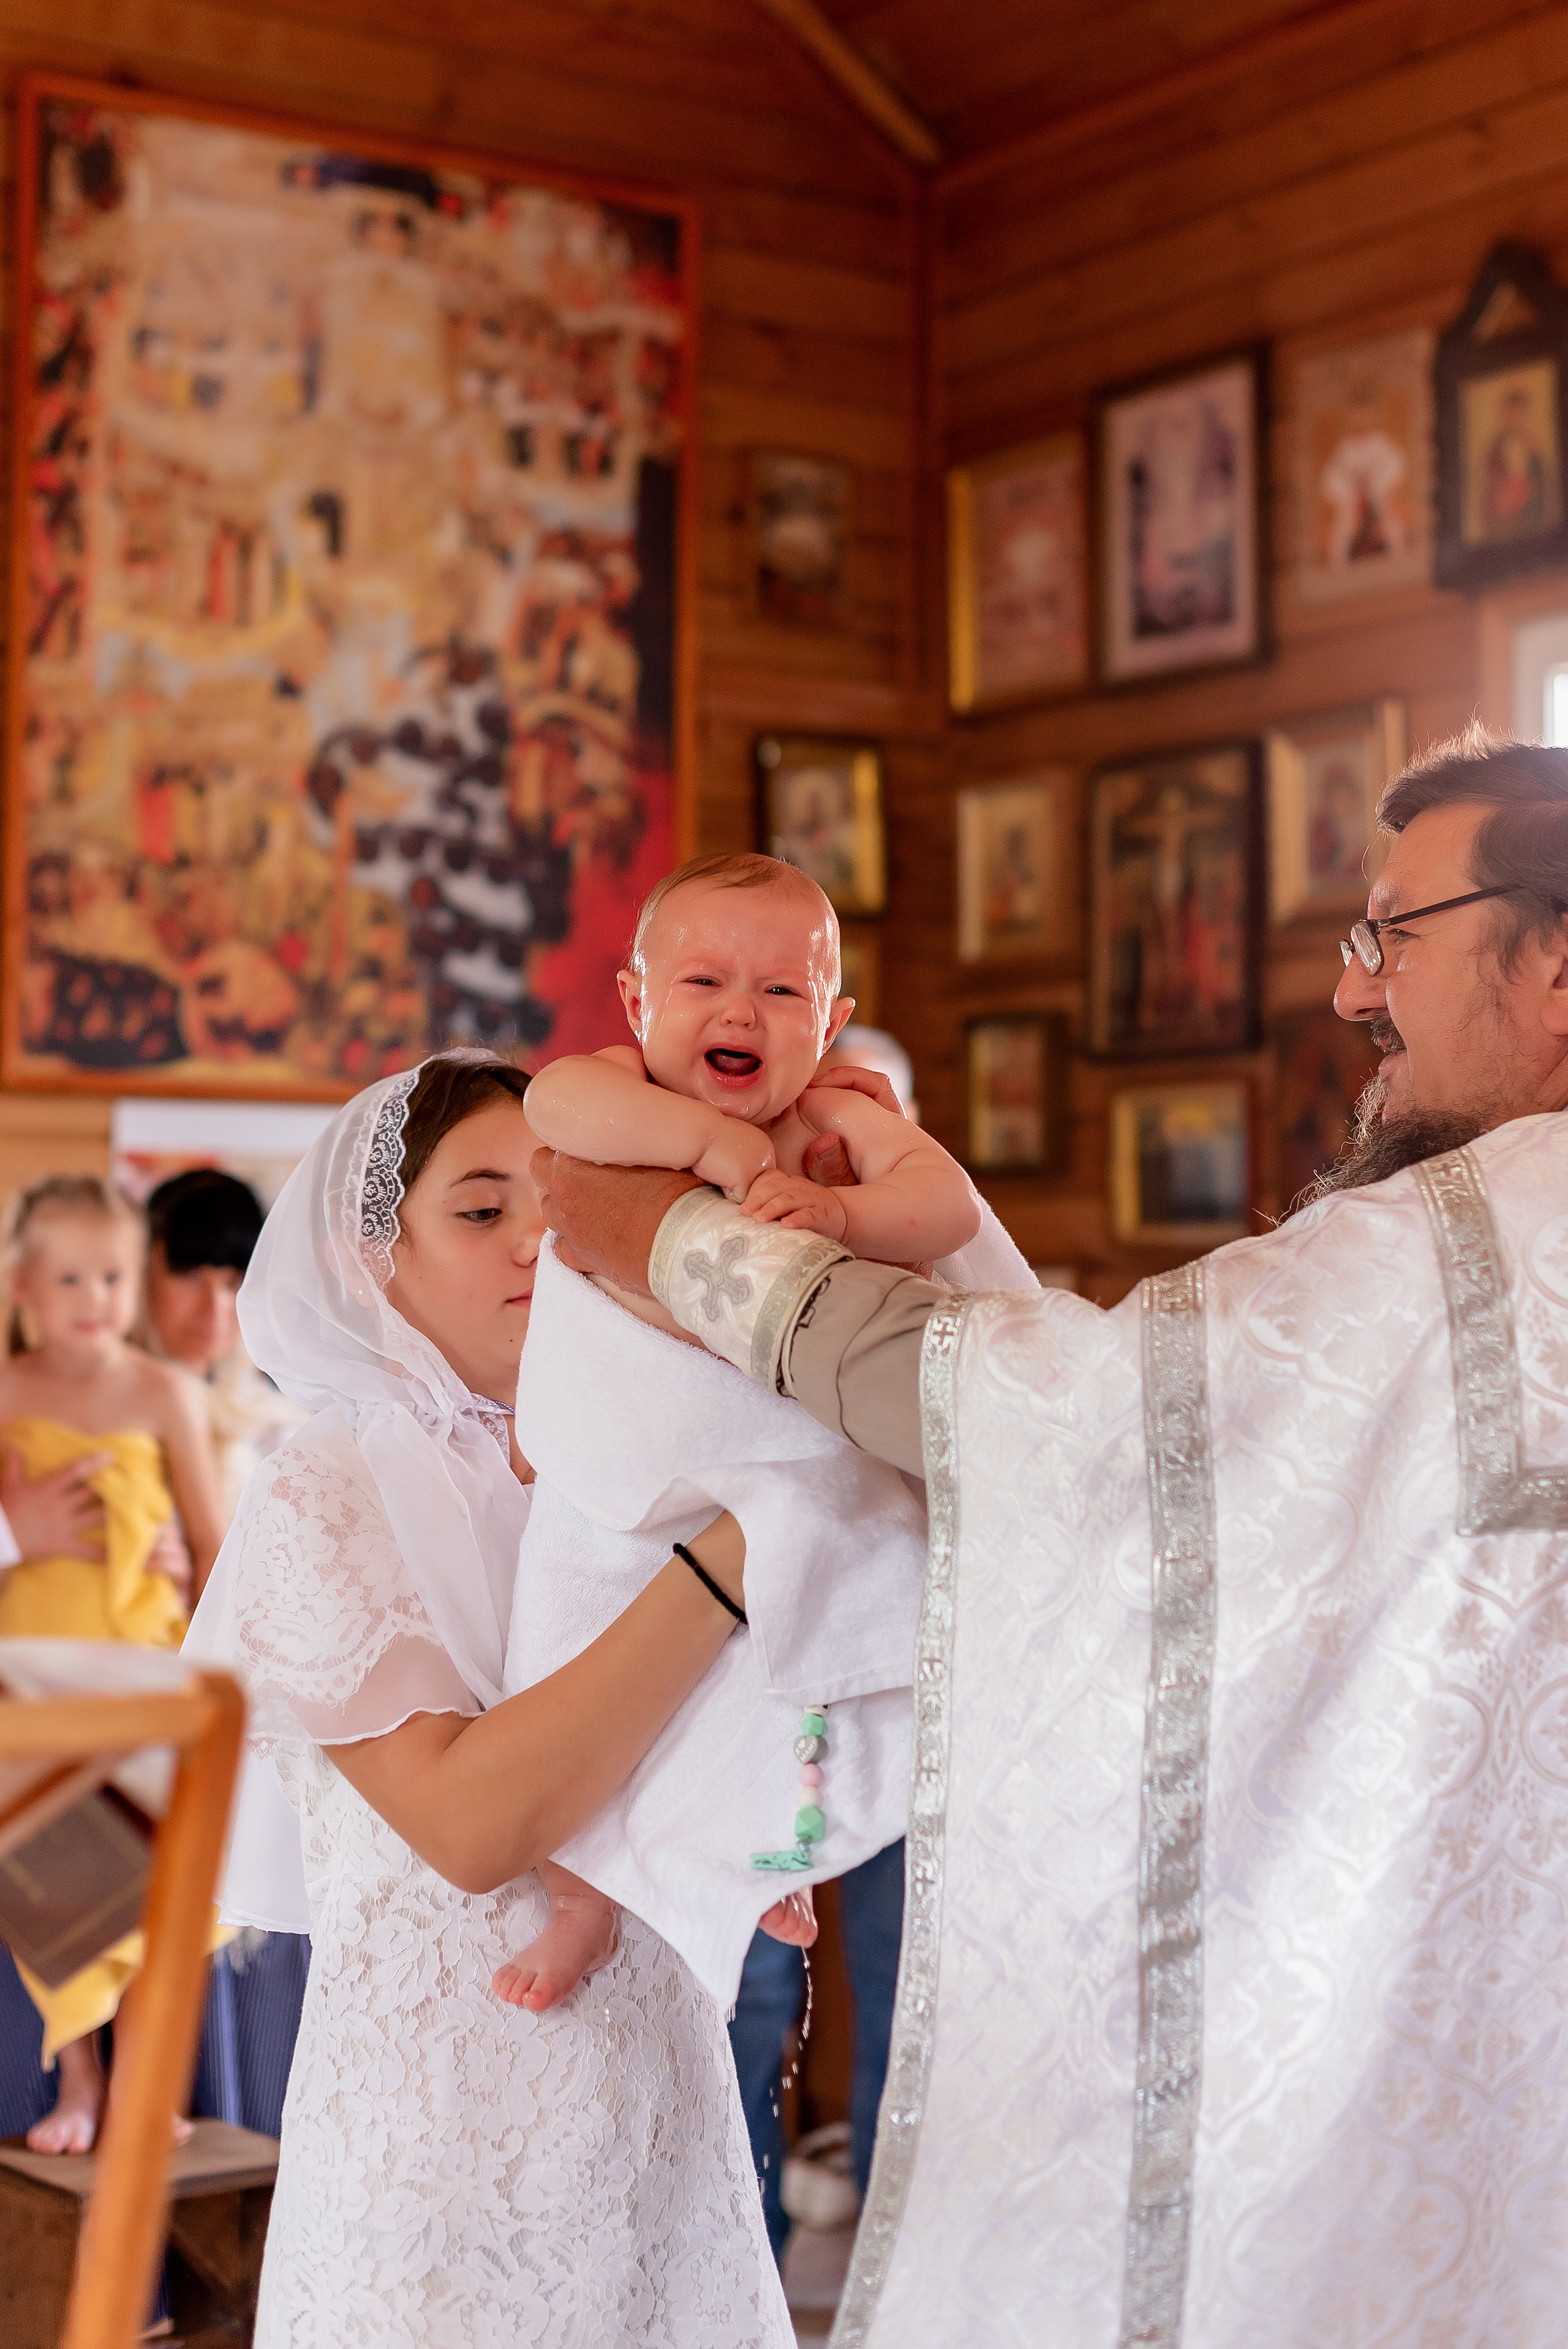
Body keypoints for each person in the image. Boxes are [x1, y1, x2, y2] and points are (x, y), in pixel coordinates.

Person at [533, 727, 1568, 2346]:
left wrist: (671, 1238)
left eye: (1395, 936)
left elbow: (1073, 1435)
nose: (1359, 993)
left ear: (1560, 960)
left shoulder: (1463, 1249)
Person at [184, 1050, 793, 2346]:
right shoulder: (322, 1492)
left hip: (659, 2118)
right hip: (440, 2159)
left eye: (557, 1198)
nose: (540, 1238)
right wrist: (739, 1551)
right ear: (372, 1260)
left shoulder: (637, 1460)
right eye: (478, 1210)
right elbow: (469, 1829)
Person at [499, 860, 1020, 2019]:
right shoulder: (614, 1088)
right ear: (636, 1002)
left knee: (823, 1614)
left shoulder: (836, 1112)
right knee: (563, 1628)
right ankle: (580, 1891)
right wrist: (714, 1150)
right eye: (702, 979)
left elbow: (944, 1211)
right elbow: (552, 1109)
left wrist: (841, 1211)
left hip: (776, 1448)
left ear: (830, 1023)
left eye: (784, 992)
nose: (741, 1010)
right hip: (628, 1454)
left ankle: (763, 1851)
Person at [0, 1174, 227, 2154]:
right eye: (69, 1279)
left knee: (154, 1887)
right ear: (23, 1289)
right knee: (52, 1877)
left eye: (111, 1276)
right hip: (33, 1684)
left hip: (144, 1675)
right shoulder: (5, 1393)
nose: (94, 1298)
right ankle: (81, 2079)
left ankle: (145, 2083)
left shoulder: (166, 1392)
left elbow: (217, 1545)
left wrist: (210, 1651)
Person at [138, 1168, 312, 2144]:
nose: (212, 1305)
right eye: (189, 1275)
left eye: (231, 1278)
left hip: (239, 1750)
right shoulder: (90, 1405)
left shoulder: (288, 1422)